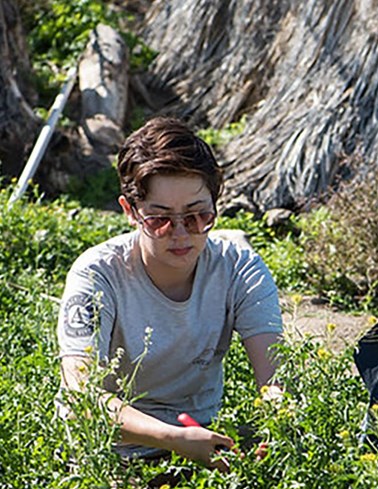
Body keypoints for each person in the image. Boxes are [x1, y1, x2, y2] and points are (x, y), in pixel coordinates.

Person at [56, 116, 283, 468]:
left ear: (215, 207)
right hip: (110, 453)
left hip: (204, 442)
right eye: (160, 220)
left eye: (196, 217)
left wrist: (279, 426)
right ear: (130, 211)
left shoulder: (239, 268)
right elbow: (82, 400)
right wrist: (171, 438)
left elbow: (276, 380)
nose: (180, 234)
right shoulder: (97, 275)